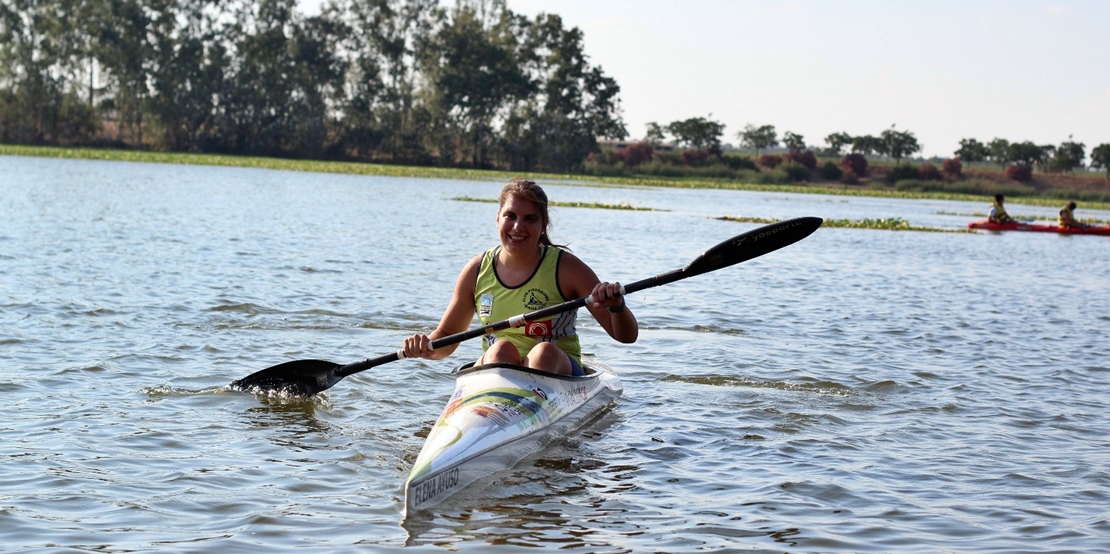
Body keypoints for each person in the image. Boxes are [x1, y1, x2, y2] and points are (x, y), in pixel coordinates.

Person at [402, 178, 638, 376]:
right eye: (510, 216)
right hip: (499, 369)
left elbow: (625, 336)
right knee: (500, 350)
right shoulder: (476, 270)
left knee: (543, 353)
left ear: (544, 224)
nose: (518, 227)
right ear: (498, 218)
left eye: (529, 219)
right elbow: (446, 339)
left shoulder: (568, 269)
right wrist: (425, 347)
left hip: (558, 373)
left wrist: (617, 307)